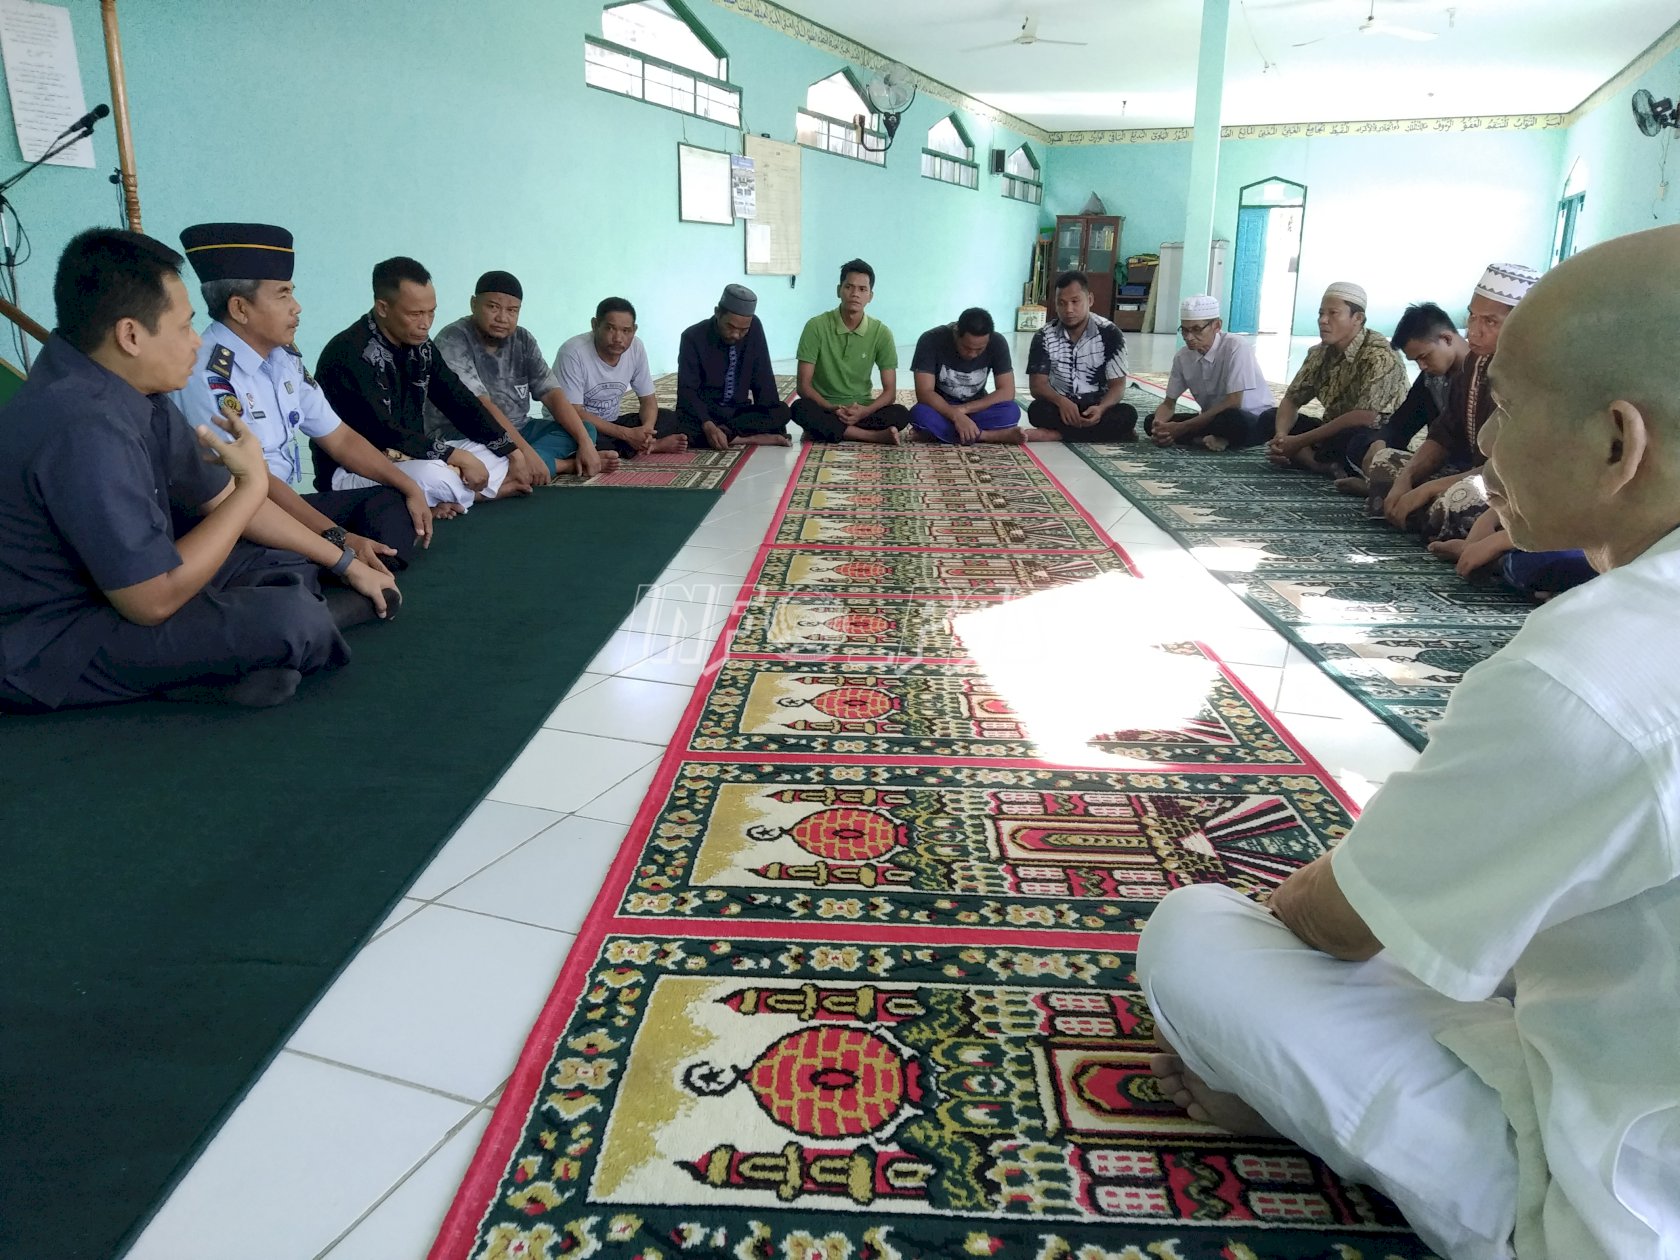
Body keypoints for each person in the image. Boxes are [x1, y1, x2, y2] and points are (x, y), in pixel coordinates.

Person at [1137, 225, 1680, 1260]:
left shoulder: (1592, 674)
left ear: (1620, 442)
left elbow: (1335, 926)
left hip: (1622, 1207)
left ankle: (1311, 1109)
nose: (1488, 441)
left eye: (1507, 409)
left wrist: (1308, 938)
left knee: (1198, 932)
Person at [0, 229, 394, 712]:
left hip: (128, 585)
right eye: (185, 327)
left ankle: (231, 660)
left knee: (284, 558)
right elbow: (152, 600)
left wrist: (343, 561)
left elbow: (219, 497)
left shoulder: (134, 388)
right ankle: (252, 651)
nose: (195, 342)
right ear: (130, 335)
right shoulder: (83, 425)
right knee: (287, 619)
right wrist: (251, 488)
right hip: (59, 635)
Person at [173, 222, 434, 574]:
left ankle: (351, 568)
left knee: (390, 501)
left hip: (288, 505)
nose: (297, 307)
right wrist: (338, 537)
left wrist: (409, 486)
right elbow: (253, 483)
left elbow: (339, 438)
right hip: (243, 517)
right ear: (240, 308)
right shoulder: (208, 374)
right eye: (283, 294)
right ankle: (338, 568)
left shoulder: (284, 358)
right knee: (286, 560)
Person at [314, 256, 533, 508]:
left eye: (431, 312)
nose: (426, 324)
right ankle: (475, 495)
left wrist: (511, 450)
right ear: (383, 308)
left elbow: (457, 399)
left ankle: (447, 496)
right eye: (415, 314)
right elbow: (383, 432)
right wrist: (452, 455)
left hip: (415, 456)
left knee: (493, 455)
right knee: (436, 475)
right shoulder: (349, 353)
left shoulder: (421, 347)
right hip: (355, 471)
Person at [1375, 265, 1539, 543]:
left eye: (1490, 321)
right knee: (1385, 463)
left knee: (1456, 500)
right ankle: (1430, 523)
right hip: (1470, 474)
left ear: (1523, 323)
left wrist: (1427, 490)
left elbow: (1506, 467)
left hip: (1510, 489)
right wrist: (1408, 476)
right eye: (1473, 316)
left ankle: (1480, 546)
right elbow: (1444, 432)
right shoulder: (1475, 363)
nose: (1474, 331)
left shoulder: (1535, 377)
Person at [432, 270, 616, 480]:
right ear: (474, 304)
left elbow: (552, 394)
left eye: (512, 310)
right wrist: (524, 454)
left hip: (520, 429)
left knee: (584, 430)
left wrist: (586, 444)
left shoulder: (523, 339)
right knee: (476, 457)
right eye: (493, 307)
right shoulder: (453, 339)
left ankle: (516, 469)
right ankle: (562, 465)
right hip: (467, 433)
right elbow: (482, 407)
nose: (502, 318)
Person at [1264, 282, 1407, 473]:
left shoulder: (1380, 356)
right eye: (1321, 314)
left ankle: (1311, 459)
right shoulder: (1319, 353)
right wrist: (1281, 437)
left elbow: (1365, 416)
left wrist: (1299, 441)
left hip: (1372, 434)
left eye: (1333, 313)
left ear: (1357, 318)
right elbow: (1292, 399)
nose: (1323, 320)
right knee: (1269, 418)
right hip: (1331, 429)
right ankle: (1319, 464)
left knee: (1355, 442)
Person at [1334, 301, 1467, 496]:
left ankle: (1383, 487)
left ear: (1447, 339)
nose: (1422, 366)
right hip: (1435, 462)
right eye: (1416, 361)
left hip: (1468, 471)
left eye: (1425, 356)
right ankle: (1388, 485)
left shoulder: (1482, 378)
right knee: (1359, 440)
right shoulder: (1431, 378)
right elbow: (1403, 422)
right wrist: (1381, 443)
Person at [791, 258, 912, 445]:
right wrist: (831, 408)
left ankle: (835, 430)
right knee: (799, 408)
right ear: (839, 290)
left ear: (870, 296)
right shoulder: (815, 326)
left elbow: (890, 392)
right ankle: (872, 436)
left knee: (901, 413)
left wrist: (864, 411)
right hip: (825, 407)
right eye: (849, 287)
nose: (855, 294)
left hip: (861, 408)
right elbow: (804, 386)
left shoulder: (881, 332)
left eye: (862, 289)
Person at [552, 297, 688, 458]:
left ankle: (642, 444)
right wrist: (627, 434)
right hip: (577, 425)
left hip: (613, 423)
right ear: (595, 325)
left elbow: (648, 400)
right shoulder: (572, 352)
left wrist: (647, 431)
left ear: (634, 330)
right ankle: (650, 446)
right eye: (610, 329)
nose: (618, 338)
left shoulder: (636, 347)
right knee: (575, 439)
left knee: (672, 418)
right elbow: (574, 412)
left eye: (626, 331)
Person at [1144, 295, 1272, 450]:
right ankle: (1212, 439)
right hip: (1211, 418)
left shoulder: (1236, 347)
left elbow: (1234, 402)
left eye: (1196, 330)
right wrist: (1159, 427)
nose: (1189, 337)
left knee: (1233, 420)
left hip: (1250, 417)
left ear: (1217, 326)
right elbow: (1169, 403)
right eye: (1184, 330)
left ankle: (1209, 438)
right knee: (1150, 421)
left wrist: (1182, 428)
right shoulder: (1183, 356)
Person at [1024, 270, 1138, 442]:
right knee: (1036, 411)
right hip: (1060, 407)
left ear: (1090, 300)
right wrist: (1061, 401)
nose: (1068, 310)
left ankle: (1058, 434)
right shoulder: (1044, 336)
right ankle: (1104, 435)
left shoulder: (1110, 334)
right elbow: (1037, 387)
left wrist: (1101, 408)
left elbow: (1118, 386)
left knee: (1127, 414)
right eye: (1061, 303)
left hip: (1097, 406)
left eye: (1075, 301)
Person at [673, 283, 791, 449]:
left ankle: (728, 434)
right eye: (730, 326)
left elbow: (763, 379)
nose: (736, 334)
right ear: (717, 313)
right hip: (706, 413)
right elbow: (687, 391)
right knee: (676, 428)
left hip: (738, 413)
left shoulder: (755, 327)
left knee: (782, 411)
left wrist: (773, 420)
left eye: (743, 330)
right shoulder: (692, 337)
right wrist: (707, 424)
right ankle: (742, 438)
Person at [907, 306, 1024, 445]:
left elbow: (1007, 391)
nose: (972, 354)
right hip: (942, 409)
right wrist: (955, 416)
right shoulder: (931, 340)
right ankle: (990, 436)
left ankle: (938, 434)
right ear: (956, 333)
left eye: (980, 349)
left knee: (1011, 411)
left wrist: (964, 410)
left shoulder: (998, 342)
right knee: (919, 413)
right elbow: (924, 393)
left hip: (976, 408)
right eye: (967, 348)